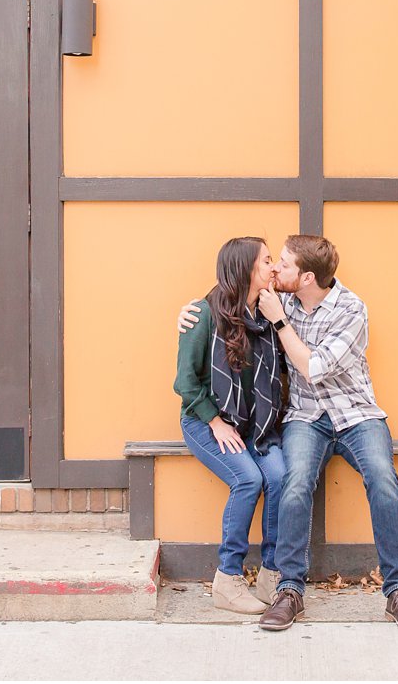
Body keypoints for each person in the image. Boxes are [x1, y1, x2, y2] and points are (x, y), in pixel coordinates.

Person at [180, 234, 398, 633]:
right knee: (294, 482)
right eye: (271, 261)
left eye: (282, 263)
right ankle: (289, 589)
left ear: (308, 277)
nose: (276, 269)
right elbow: (224, 313)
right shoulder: (279, 302)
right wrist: (190, 314)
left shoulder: (348, 309)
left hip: (355, 414)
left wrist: (278, 320)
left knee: (383, 479)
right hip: (305, 416)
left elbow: (313, 367)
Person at [173, 236, 287, 614]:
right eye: (267, 261)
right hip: (205, 420)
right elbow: (185, 384)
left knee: (279, 477)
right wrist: (216, 422)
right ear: (246, 269)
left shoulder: (268, 314)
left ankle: (273, 578)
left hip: (255, 425)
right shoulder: (203, 315)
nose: (273, 267)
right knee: (249, 480)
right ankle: (228, 579)